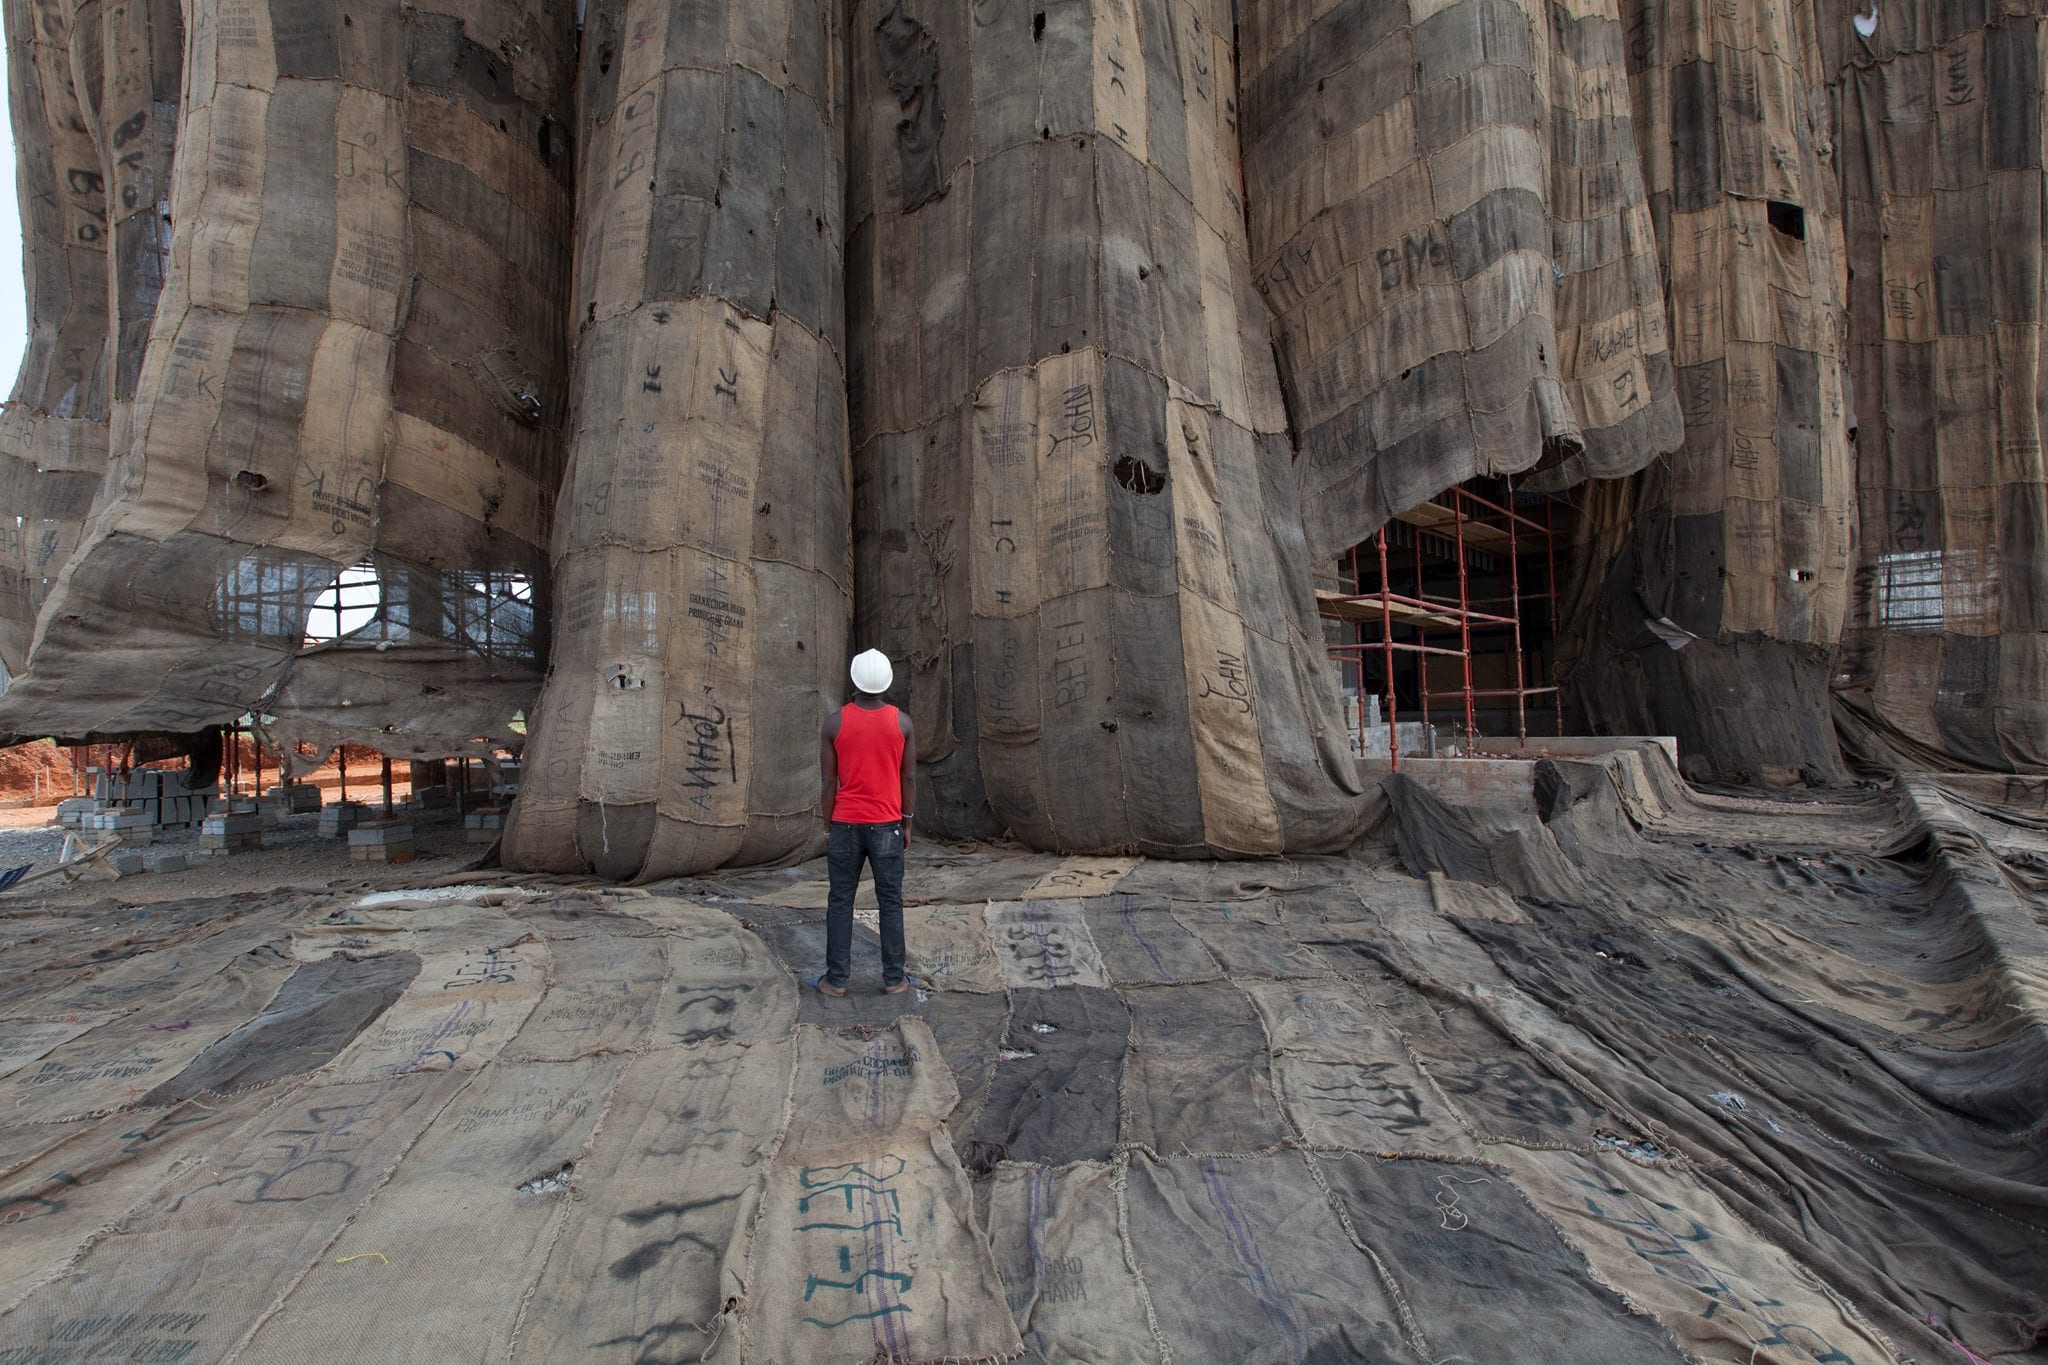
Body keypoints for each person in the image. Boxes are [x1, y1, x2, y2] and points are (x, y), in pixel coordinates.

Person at [814, 648, 915, 996]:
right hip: (887, 825)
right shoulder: (902, 723)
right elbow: (909, 780)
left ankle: (836, 981)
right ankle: (894, 980)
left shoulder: (833, 723)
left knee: (841, 900)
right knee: (890, 901)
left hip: (845, 825)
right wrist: (907, 823)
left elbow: (829, 783)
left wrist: (828, 826)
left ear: (854, 681)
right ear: (886, 682)